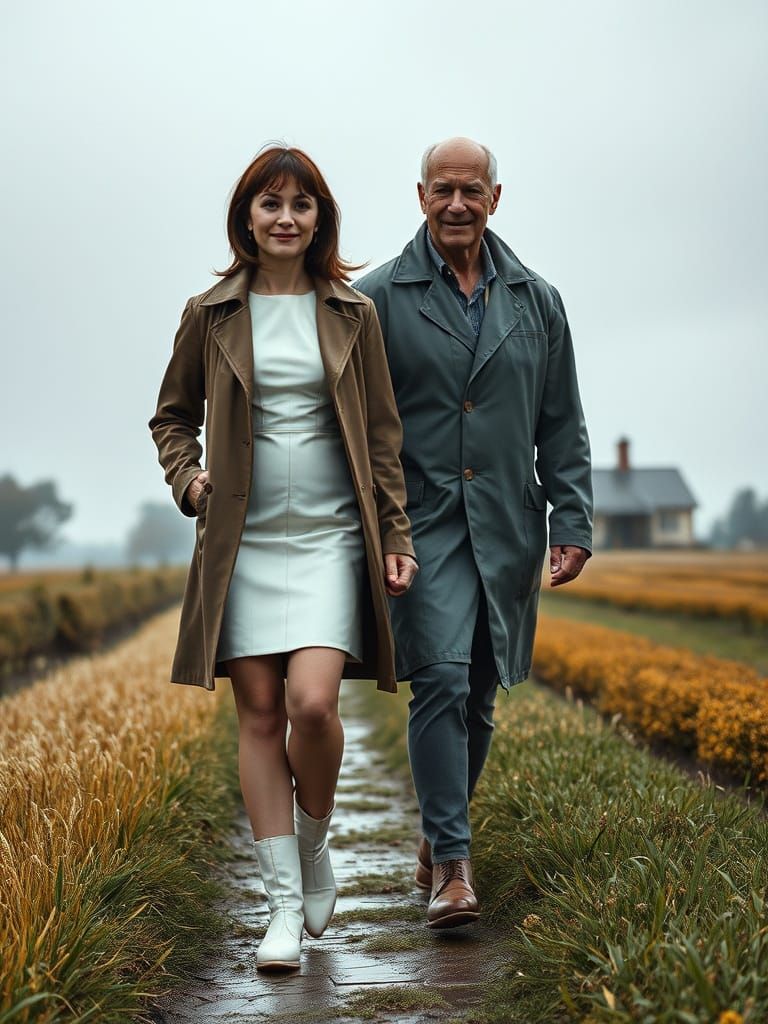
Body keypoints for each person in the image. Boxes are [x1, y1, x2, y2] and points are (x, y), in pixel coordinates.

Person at [148, 145, 418, 970]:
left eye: (301, 204)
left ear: (319, 218)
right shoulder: (210, 313)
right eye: (271, 203)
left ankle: (310, 843)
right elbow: (171, 417)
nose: (286, 218)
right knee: (260, 716)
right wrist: (189, 479)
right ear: (247, 217)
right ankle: (281, 911)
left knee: (312, 705)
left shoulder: (353, 313)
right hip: (242, 543)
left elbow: (382, 437)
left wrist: (396, 536)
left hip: (331, 537)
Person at [354, 137, 593, 929]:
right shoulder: (377, 299)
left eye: (471, 190)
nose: (457, 203)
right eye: (442, 189)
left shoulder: (538, 301)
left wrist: (572, 518)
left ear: (495, 197)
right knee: (442, 679)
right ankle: (453, 868)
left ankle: (437, 834)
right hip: (417, 524)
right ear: (420, 196)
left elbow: (561, 421)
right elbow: (352, 424)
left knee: (482, 693)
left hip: (507, 524)